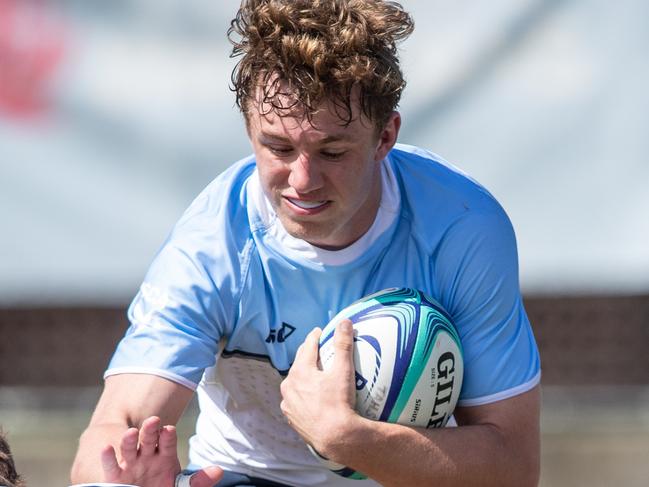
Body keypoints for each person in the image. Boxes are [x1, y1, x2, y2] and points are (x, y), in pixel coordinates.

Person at [71, 1, 541, 486]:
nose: (302, 180)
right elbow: (113, 429)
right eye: (277, 148)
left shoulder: (460, 228)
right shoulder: (214, 244)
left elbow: (514, 467)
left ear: (386, 136)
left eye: (332, 151)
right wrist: (119, 482)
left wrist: (347, 438)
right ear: (250, 130)